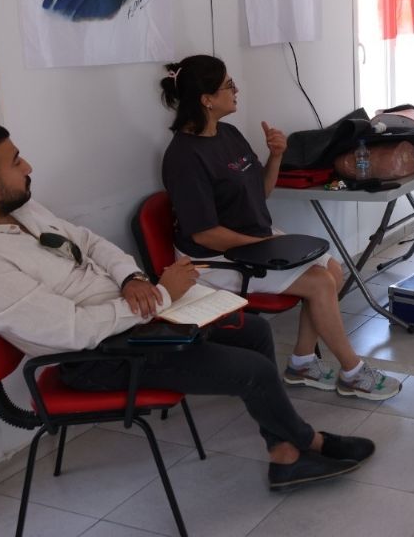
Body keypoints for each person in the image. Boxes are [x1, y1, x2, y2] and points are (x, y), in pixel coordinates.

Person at [0, 123, 373, 489]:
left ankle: (285, 451)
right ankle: (304, 443)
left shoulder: (15, 209)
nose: (28, 167)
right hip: (96, 357)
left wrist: (133, 278)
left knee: (252, 331)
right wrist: (161, 296)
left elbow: (87, 241)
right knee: (252, 370)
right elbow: (74, 331)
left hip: (131, 317)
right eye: (15, 161)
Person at [160, 54, 401, 401]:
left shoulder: (228, 133)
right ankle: (353, 372)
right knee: (319, 283)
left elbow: (262, 191)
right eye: (228, 85)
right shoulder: (183, 157)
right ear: (206, 99)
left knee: (333, 270)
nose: (236, 90)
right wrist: (260, 247)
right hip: (212, 259)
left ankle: (302, 363)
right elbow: (204, 234)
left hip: (251, 241)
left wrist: (276, 156)